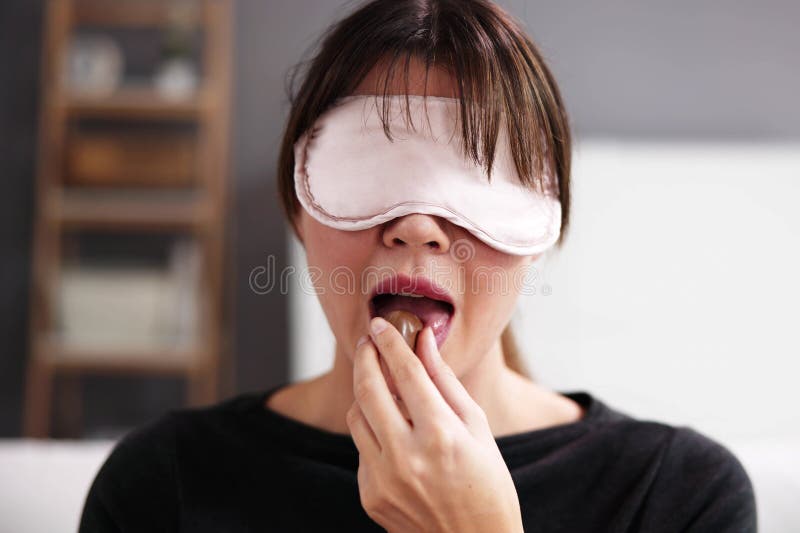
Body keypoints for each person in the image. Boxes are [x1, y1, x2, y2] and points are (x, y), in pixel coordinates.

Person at [79, 1, 757, 531]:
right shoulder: (161, 485)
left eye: (476, 178)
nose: (417, 227)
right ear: (298, 207)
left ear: (541, 231)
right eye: (370, 168)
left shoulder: (677, 496)